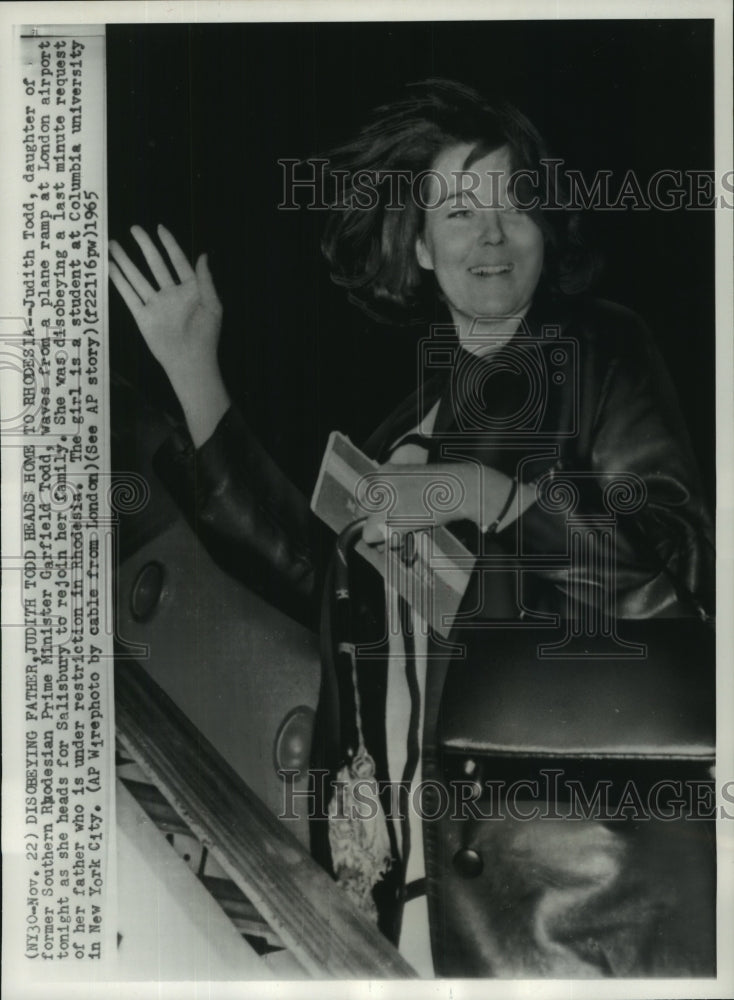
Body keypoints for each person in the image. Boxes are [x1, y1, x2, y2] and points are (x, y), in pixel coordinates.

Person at [109, 80, 715, 978]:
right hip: (404, 910)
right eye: (461, 213)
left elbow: (675, 577)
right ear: (421, 246)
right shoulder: (405, 430)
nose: (495, 235)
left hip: (570, 914)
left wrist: (486, 496)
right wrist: (195, 370)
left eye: (516, 206)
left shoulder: (600, 353)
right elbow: (318, 577)